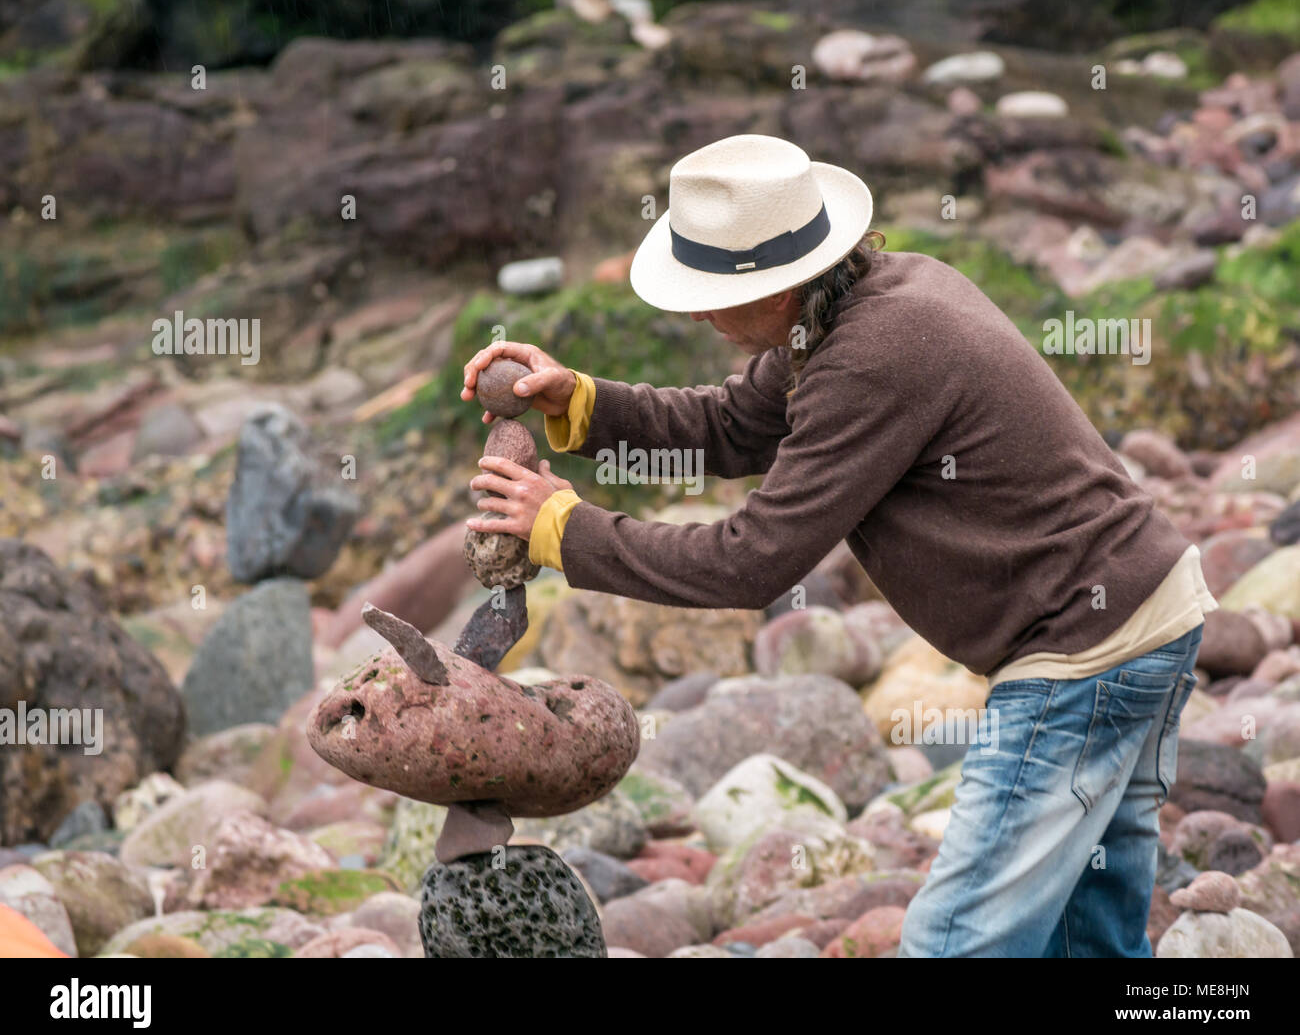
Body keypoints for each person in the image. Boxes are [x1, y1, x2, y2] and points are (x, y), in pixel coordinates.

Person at [461, 134, 1216, 957]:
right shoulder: (868, 301)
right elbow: (731, 424)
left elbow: (755, 560)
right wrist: (581, 399)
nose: (698, 314)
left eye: (710, 292)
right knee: (1090, 933)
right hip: (1151, 607)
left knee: (956, 940)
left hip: (1085, 649)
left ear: (782, 285)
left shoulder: (873, 356)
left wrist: (564, 531)